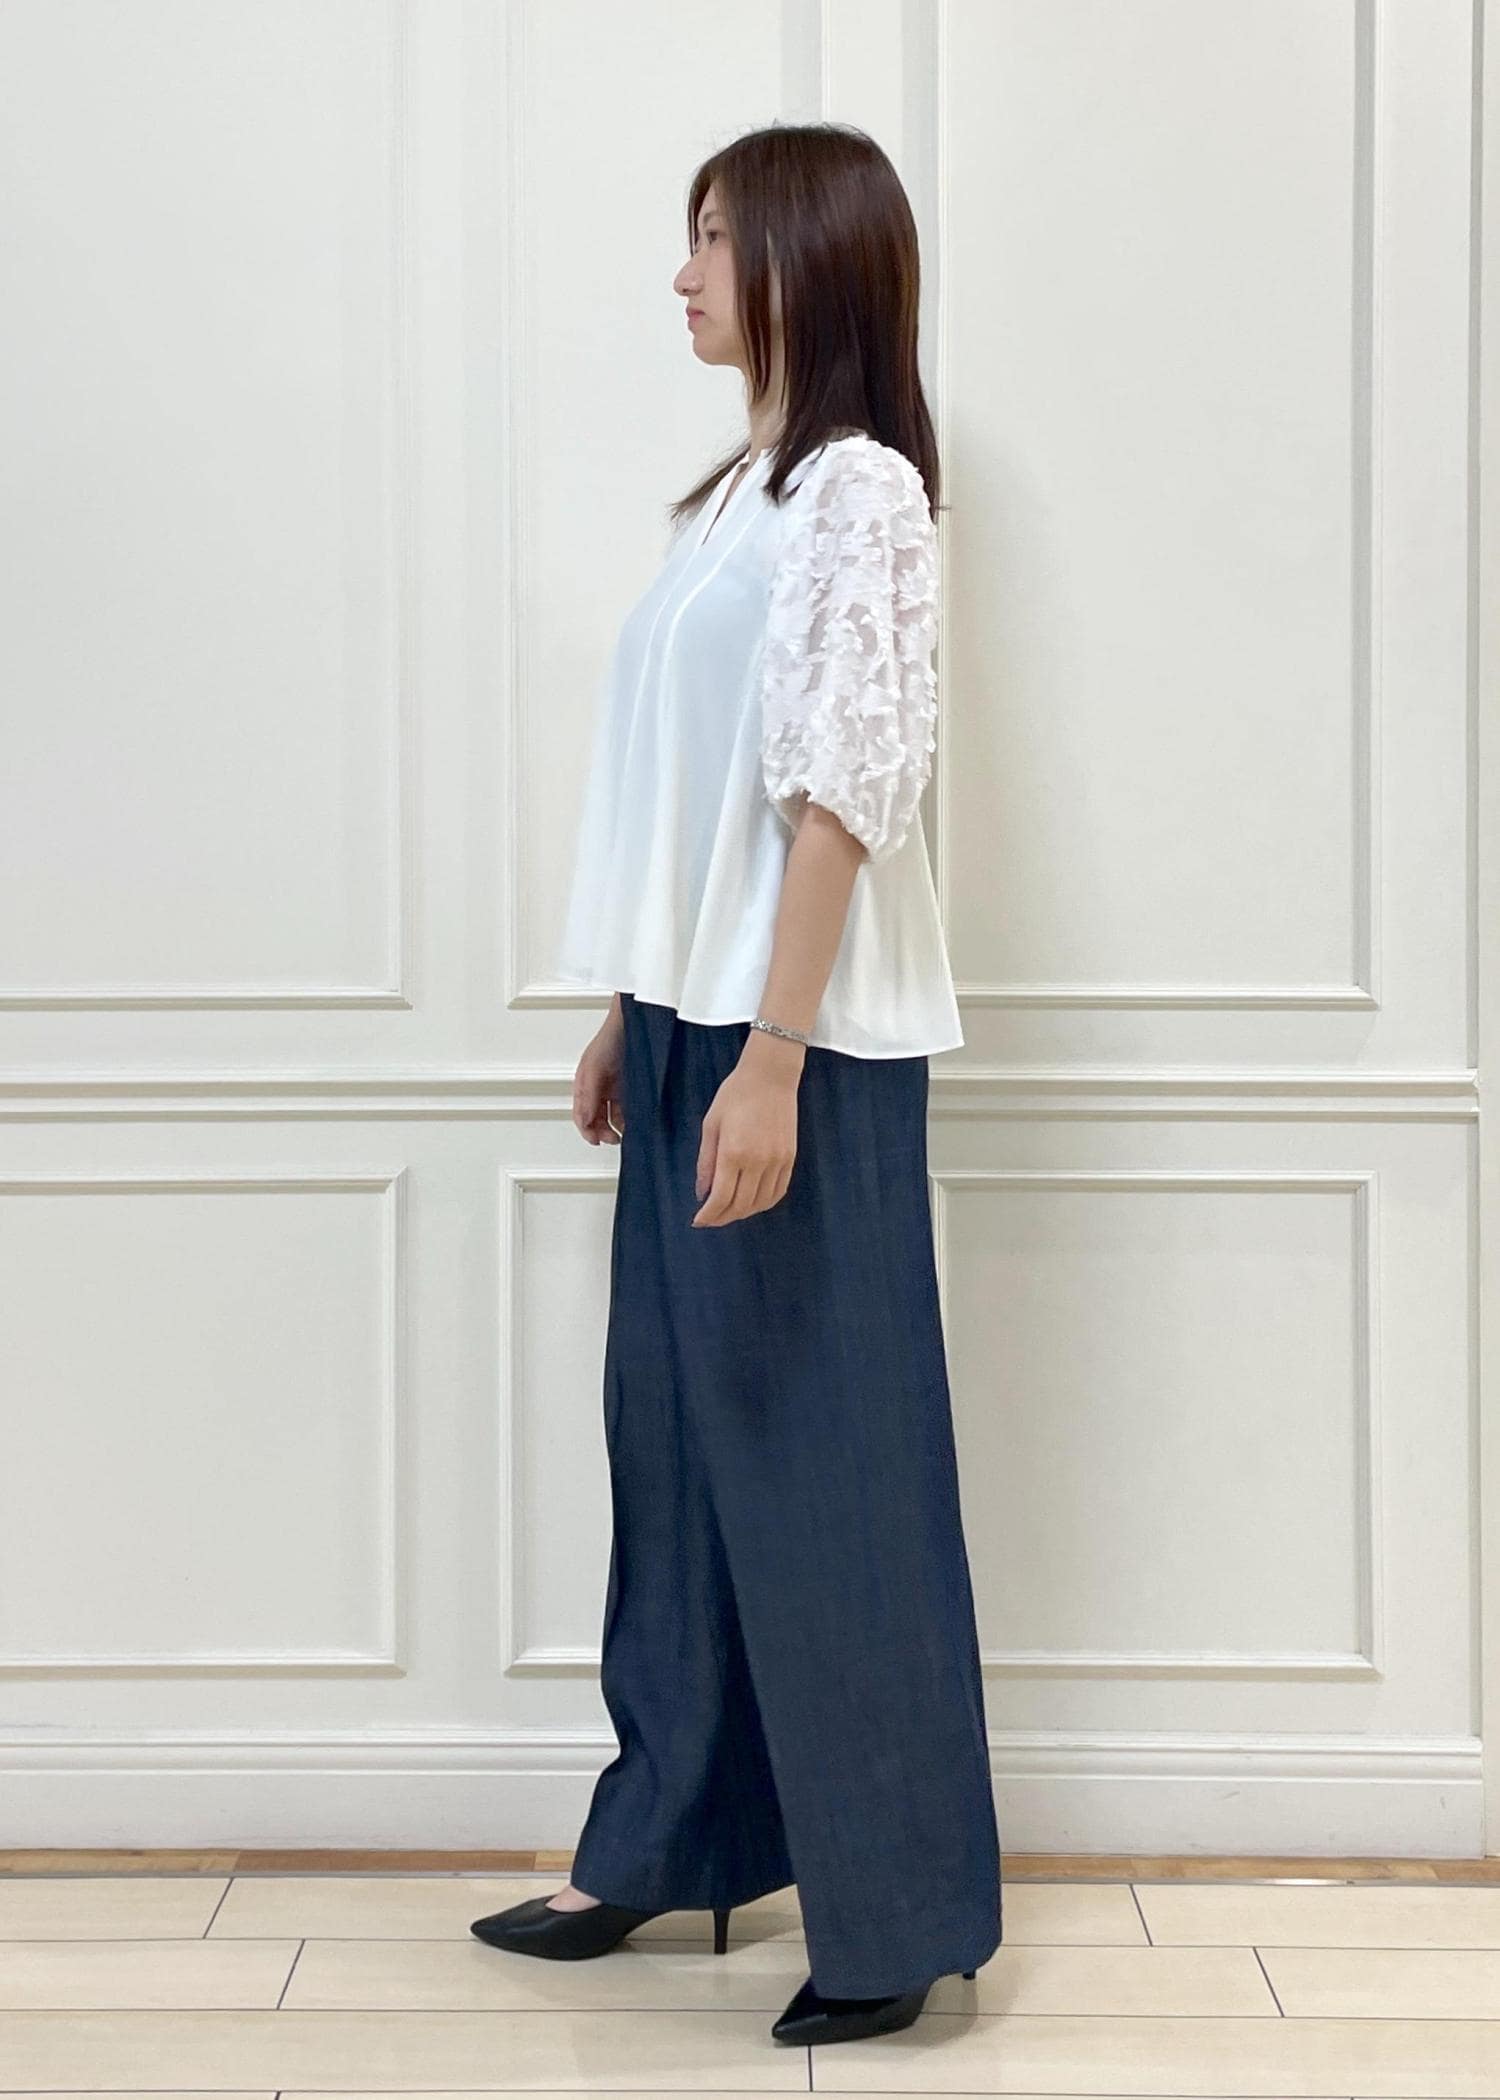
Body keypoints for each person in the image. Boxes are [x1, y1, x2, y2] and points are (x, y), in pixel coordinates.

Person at [471, 120, 1001, 2048]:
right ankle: (667, 1840)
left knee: (829, 1466)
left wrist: (769, 1053)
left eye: (711, 236)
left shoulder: (862, 492)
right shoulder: (735, 497)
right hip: (703, 1022)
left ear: (800, 255)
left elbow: (842, 792)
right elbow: (697, 798)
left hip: (805, 1042)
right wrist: (647, 1009)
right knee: (681, 1449)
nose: (683, 274)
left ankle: (898, 1912)